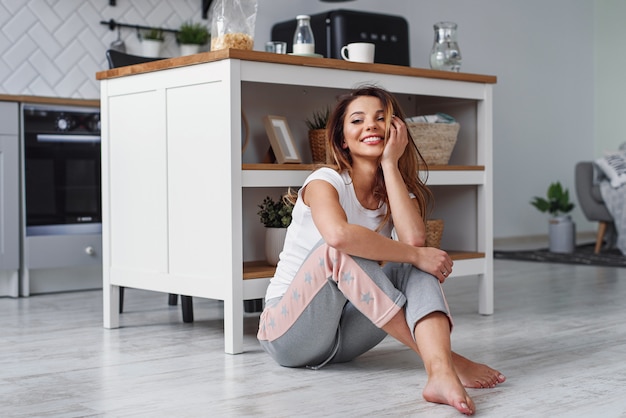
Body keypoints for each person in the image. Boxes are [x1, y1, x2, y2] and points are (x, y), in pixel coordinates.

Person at [257, 85, 505, 415]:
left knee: (416, 264)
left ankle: (440, 373)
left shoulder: (394, 193)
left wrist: (390, 164)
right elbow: (338, 236)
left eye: (381, 118)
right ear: (343, 139)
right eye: (357, 120)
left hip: (344, 339)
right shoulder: (324, 181)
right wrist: (417, 254)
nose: (371, 125)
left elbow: (415, 243)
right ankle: (448, 361)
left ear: (396, 131)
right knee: (339, 250)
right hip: (287, 333)